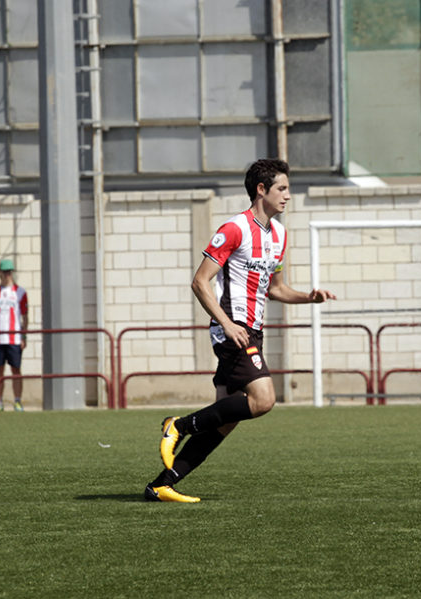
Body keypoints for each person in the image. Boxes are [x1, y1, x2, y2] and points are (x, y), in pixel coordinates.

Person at [144, 158, 336, 503]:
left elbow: (275, 288)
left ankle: (161, 485)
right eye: (282, 188)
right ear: (261, 190)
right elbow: (200, 282)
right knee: (264, 399)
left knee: (223, 422)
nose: (288, 196)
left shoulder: (279, 234)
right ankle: (178, 425)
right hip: (232, 331)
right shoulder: (233, 229)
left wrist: (309, 297)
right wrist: (227, 322)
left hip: (252, 331)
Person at [0, 258, 28, 411]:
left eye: (9, 272)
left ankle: (17, 400)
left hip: (14, 337)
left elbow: (24, 316)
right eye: (5, 272)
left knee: (16, 370)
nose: (7, 275)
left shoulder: (20, 292)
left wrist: (24, 336)